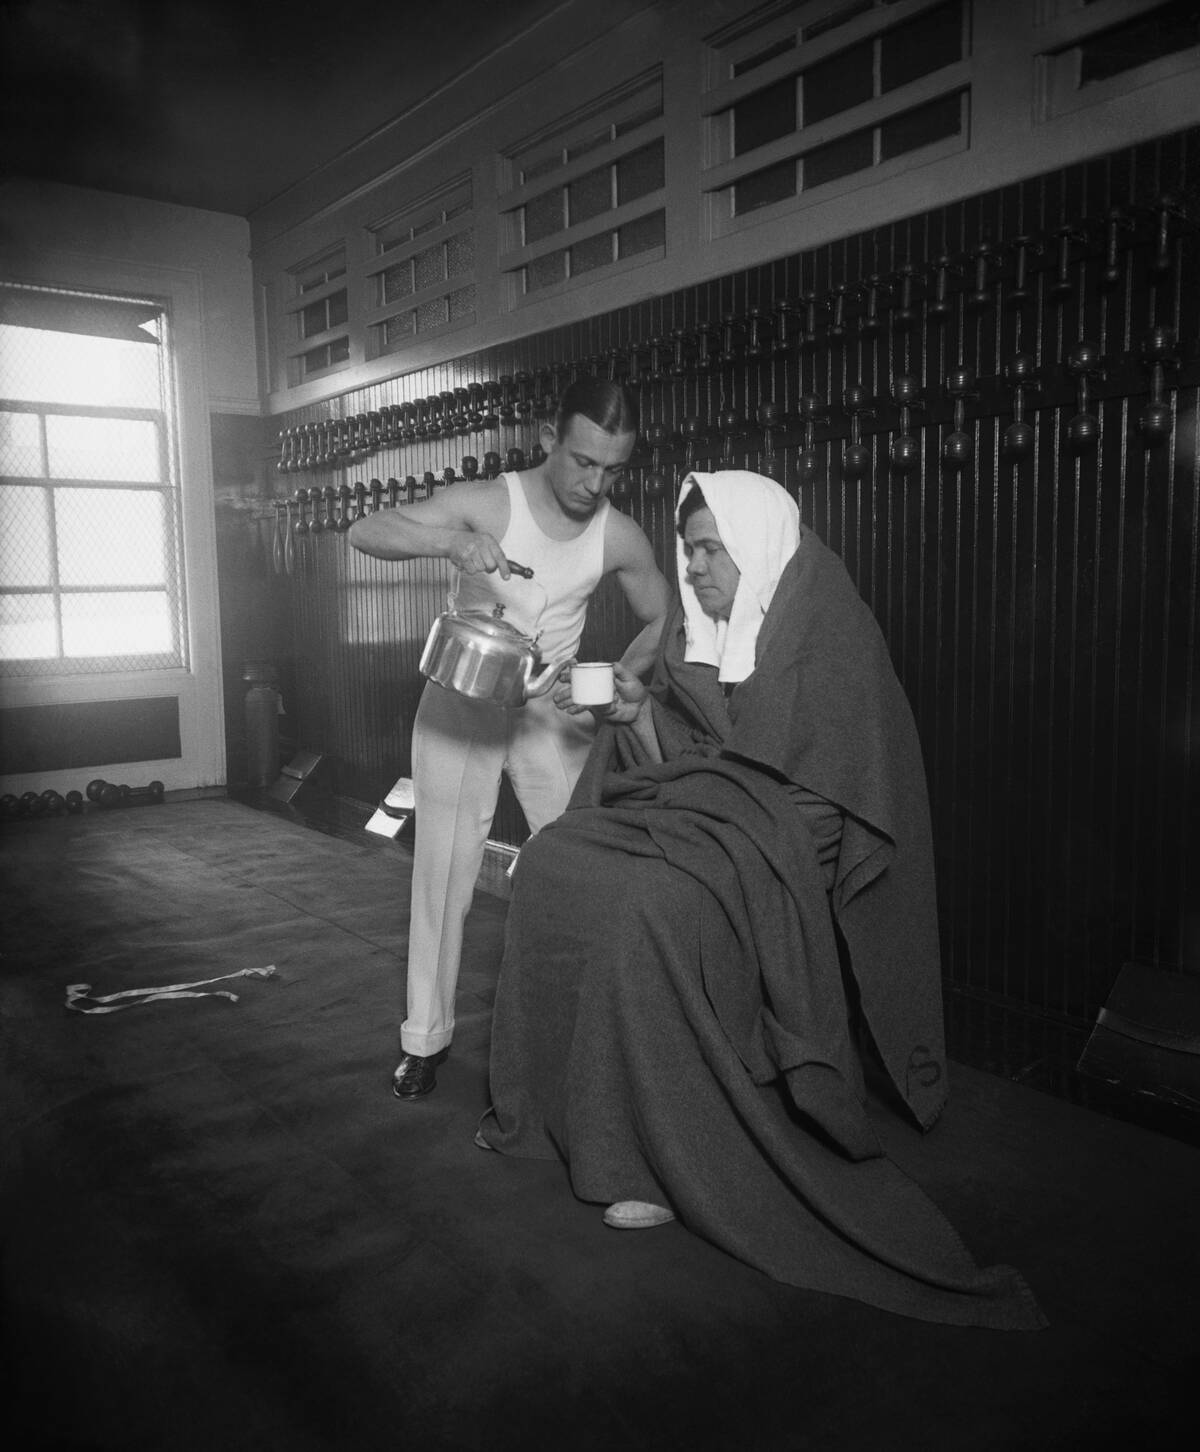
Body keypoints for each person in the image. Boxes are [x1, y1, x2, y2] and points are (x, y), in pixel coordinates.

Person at [476, 470, 1045, 1330]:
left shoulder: (828, 633)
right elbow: (691, 754)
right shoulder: (698, 636)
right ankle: (561, 1106)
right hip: (713, 816)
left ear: (760, 547)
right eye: (689, 550)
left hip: (784, 832)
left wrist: (722, 799)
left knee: (648, 906)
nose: (695, 568)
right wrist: (633, 713)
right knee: (556, 858)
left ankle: (647, 1159)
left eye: (712, 551)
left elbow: (835, 789)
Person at [348, 378, 671, 1100]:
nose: (596, 482)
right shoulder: (492, 501)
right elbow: (363, 530)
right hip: (461, 701)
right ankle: (424, 1042)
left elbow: (663, 618)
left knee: (576, 869)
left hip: (549, 711)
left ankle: (587, 1034)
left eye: (613, 468)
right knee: (444, 869)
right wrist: (448, 543)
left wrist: (611, 677)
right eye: (584, 460)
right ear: (550, 437)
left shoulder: (617, 534)